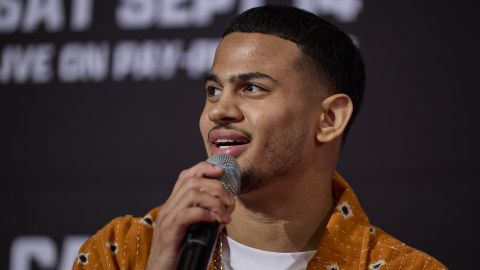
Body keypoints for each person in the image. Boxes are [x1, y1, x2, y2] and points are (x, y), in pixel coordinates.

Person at [74, 5, 446, 270]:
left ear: (330, 118)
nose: (219, 111)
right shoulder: (122, 252)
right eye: (213, 90)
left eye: (251, 88)